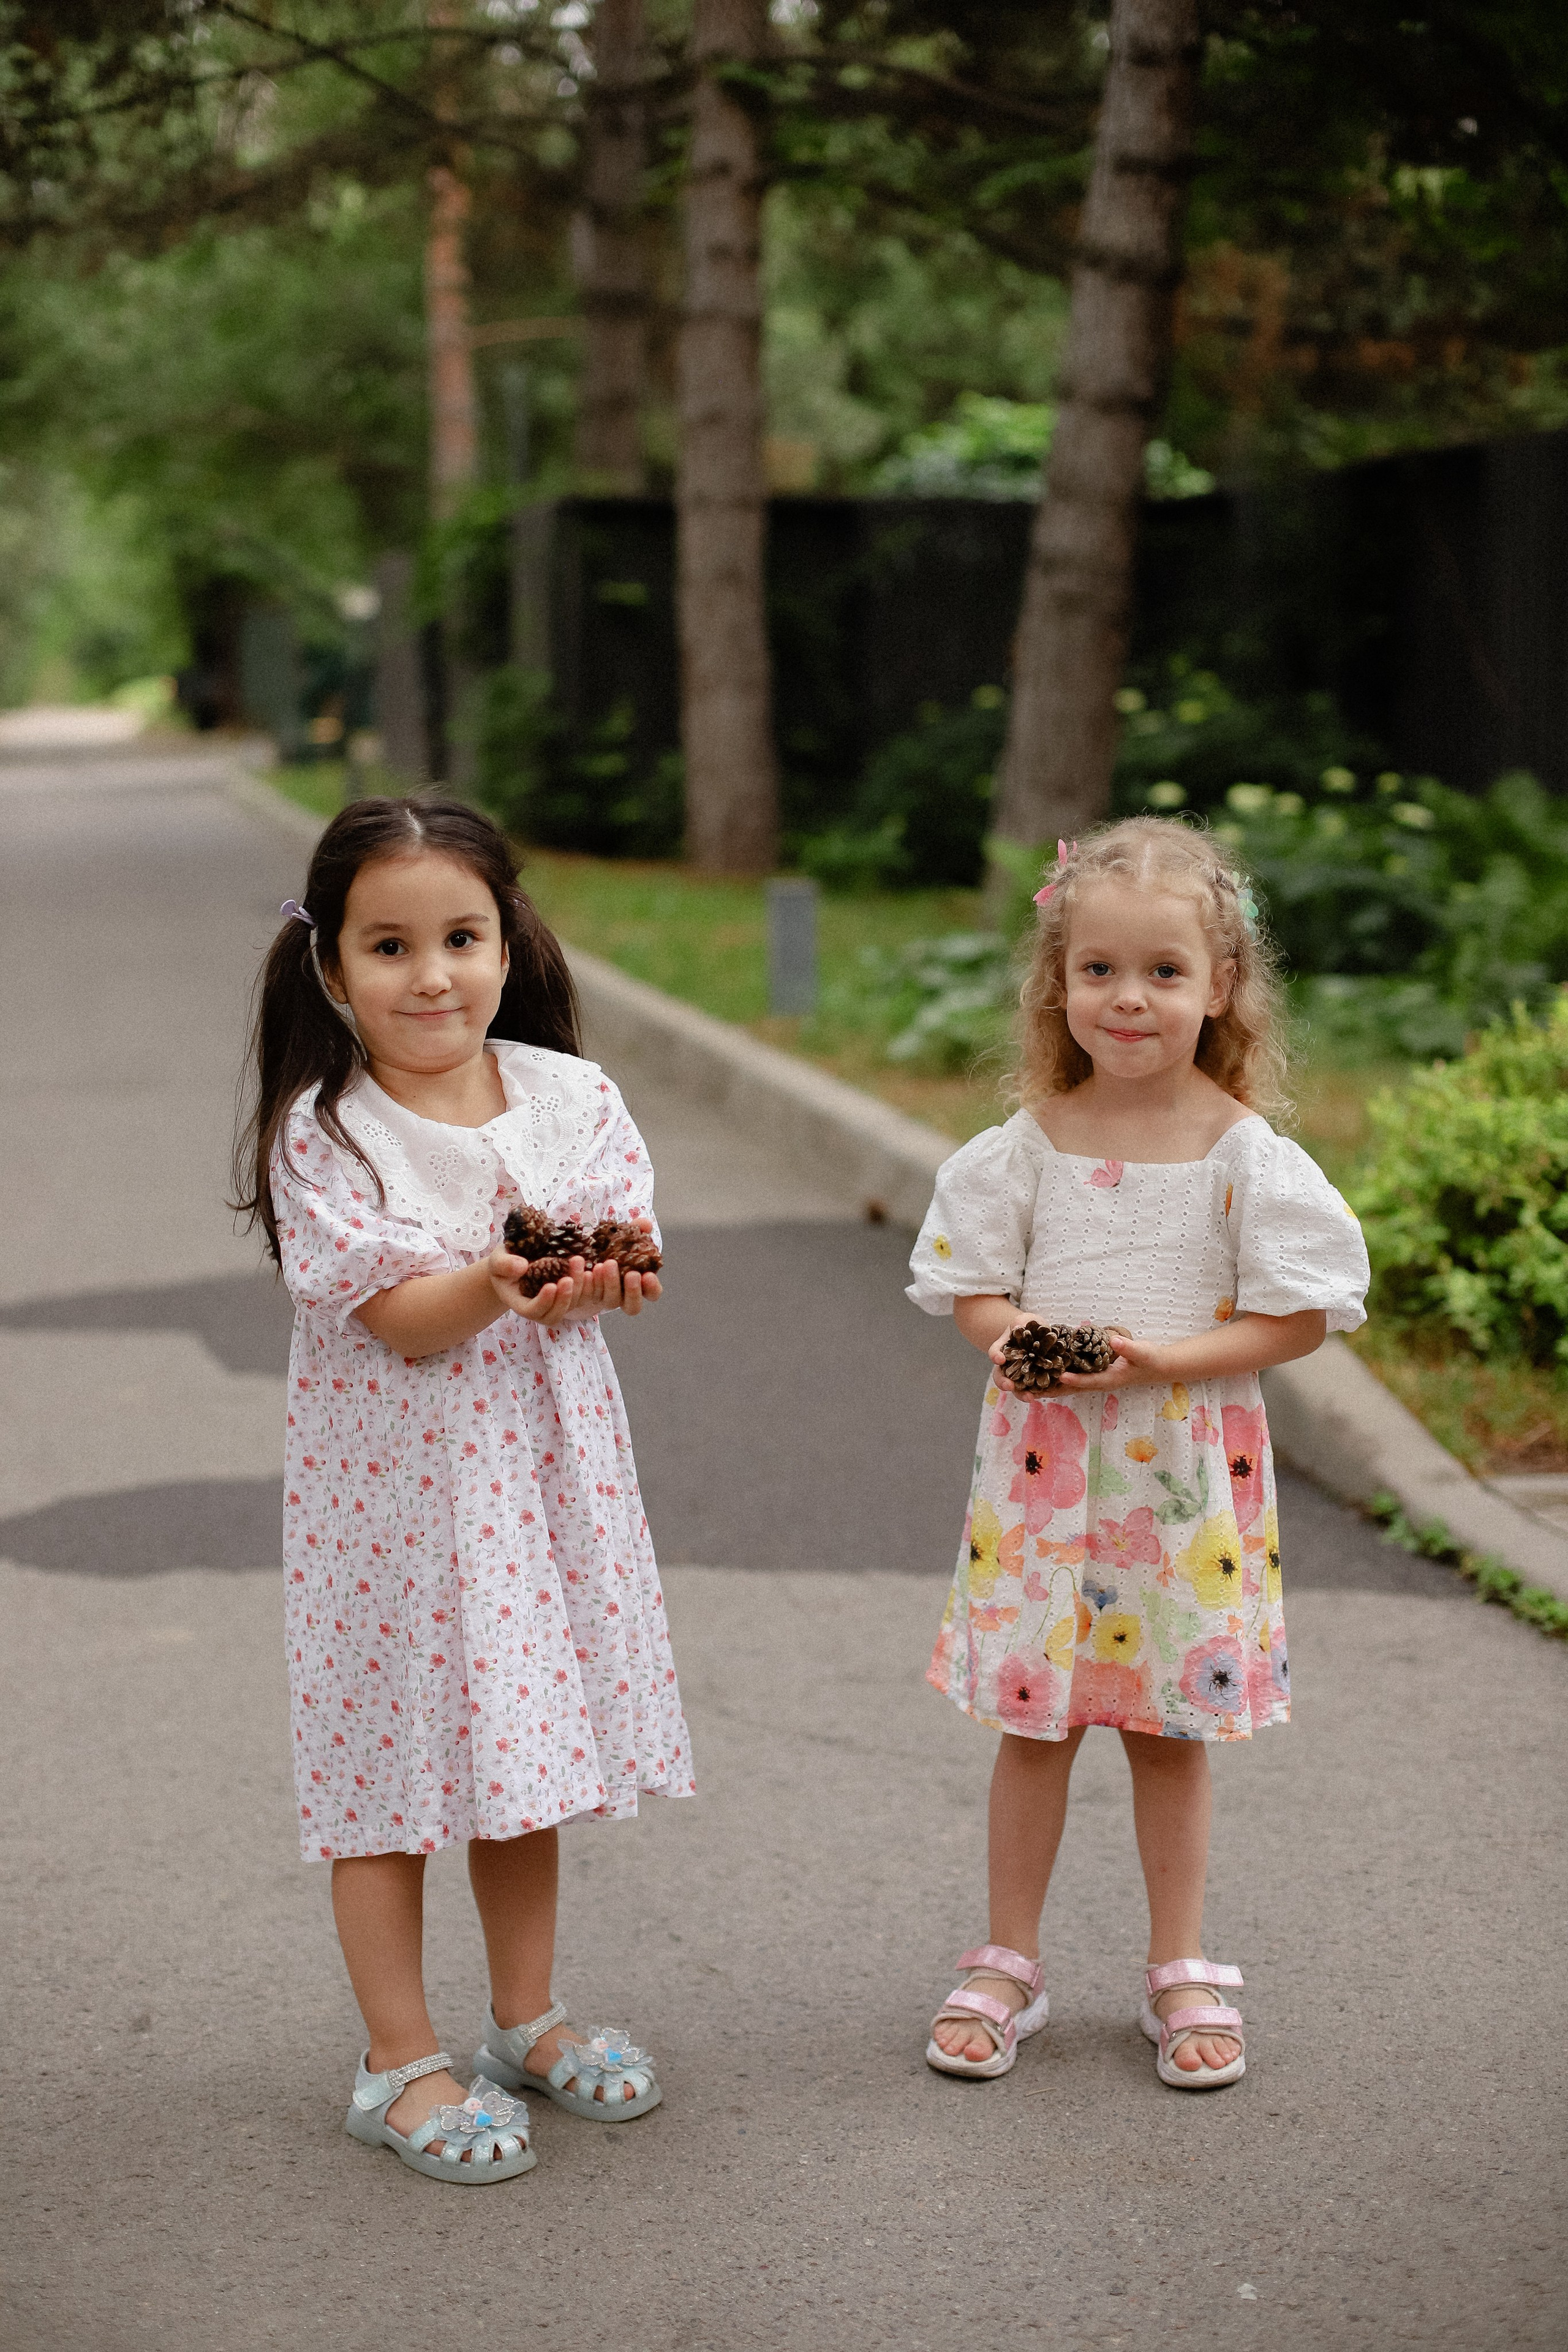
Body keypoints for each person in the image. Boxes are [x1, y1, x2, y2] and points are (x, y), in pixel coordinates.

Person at [235, 796, 693, 2182]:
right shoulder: (328, 1133)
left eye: (461, 937)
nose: (431, 975)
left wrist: (596, 1281)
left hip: (538, 1487)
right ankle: (398, 2061)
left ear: (508, 943)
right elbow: (401, 1323)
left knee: (523, 1758)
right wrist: (498, 1281)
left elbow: (601, 1283)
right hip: (387, 1508)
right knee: (385, 1778)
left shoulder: (572, 1098)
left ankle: (524, 2018)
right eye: (389, 945)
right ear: (332, 968)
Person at [907, 817, 1368, 2090]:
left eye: (1162, 972)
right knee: (1035, 1728)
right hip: (1046, 1484)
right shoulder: (1027, 1144)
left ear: (1218, 986)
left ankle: (1178, 1964)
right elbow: (971, 1286)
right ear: (1058, 983)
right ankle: (1006, 1959)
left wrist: (1165, 1360)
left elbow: (1297, 1315)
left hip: (1176, 1485)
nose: (1128, 998)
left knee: (1169, 1734)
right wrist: (1011, 1339)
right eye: (1099, 969)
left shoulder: (1242, 1158)